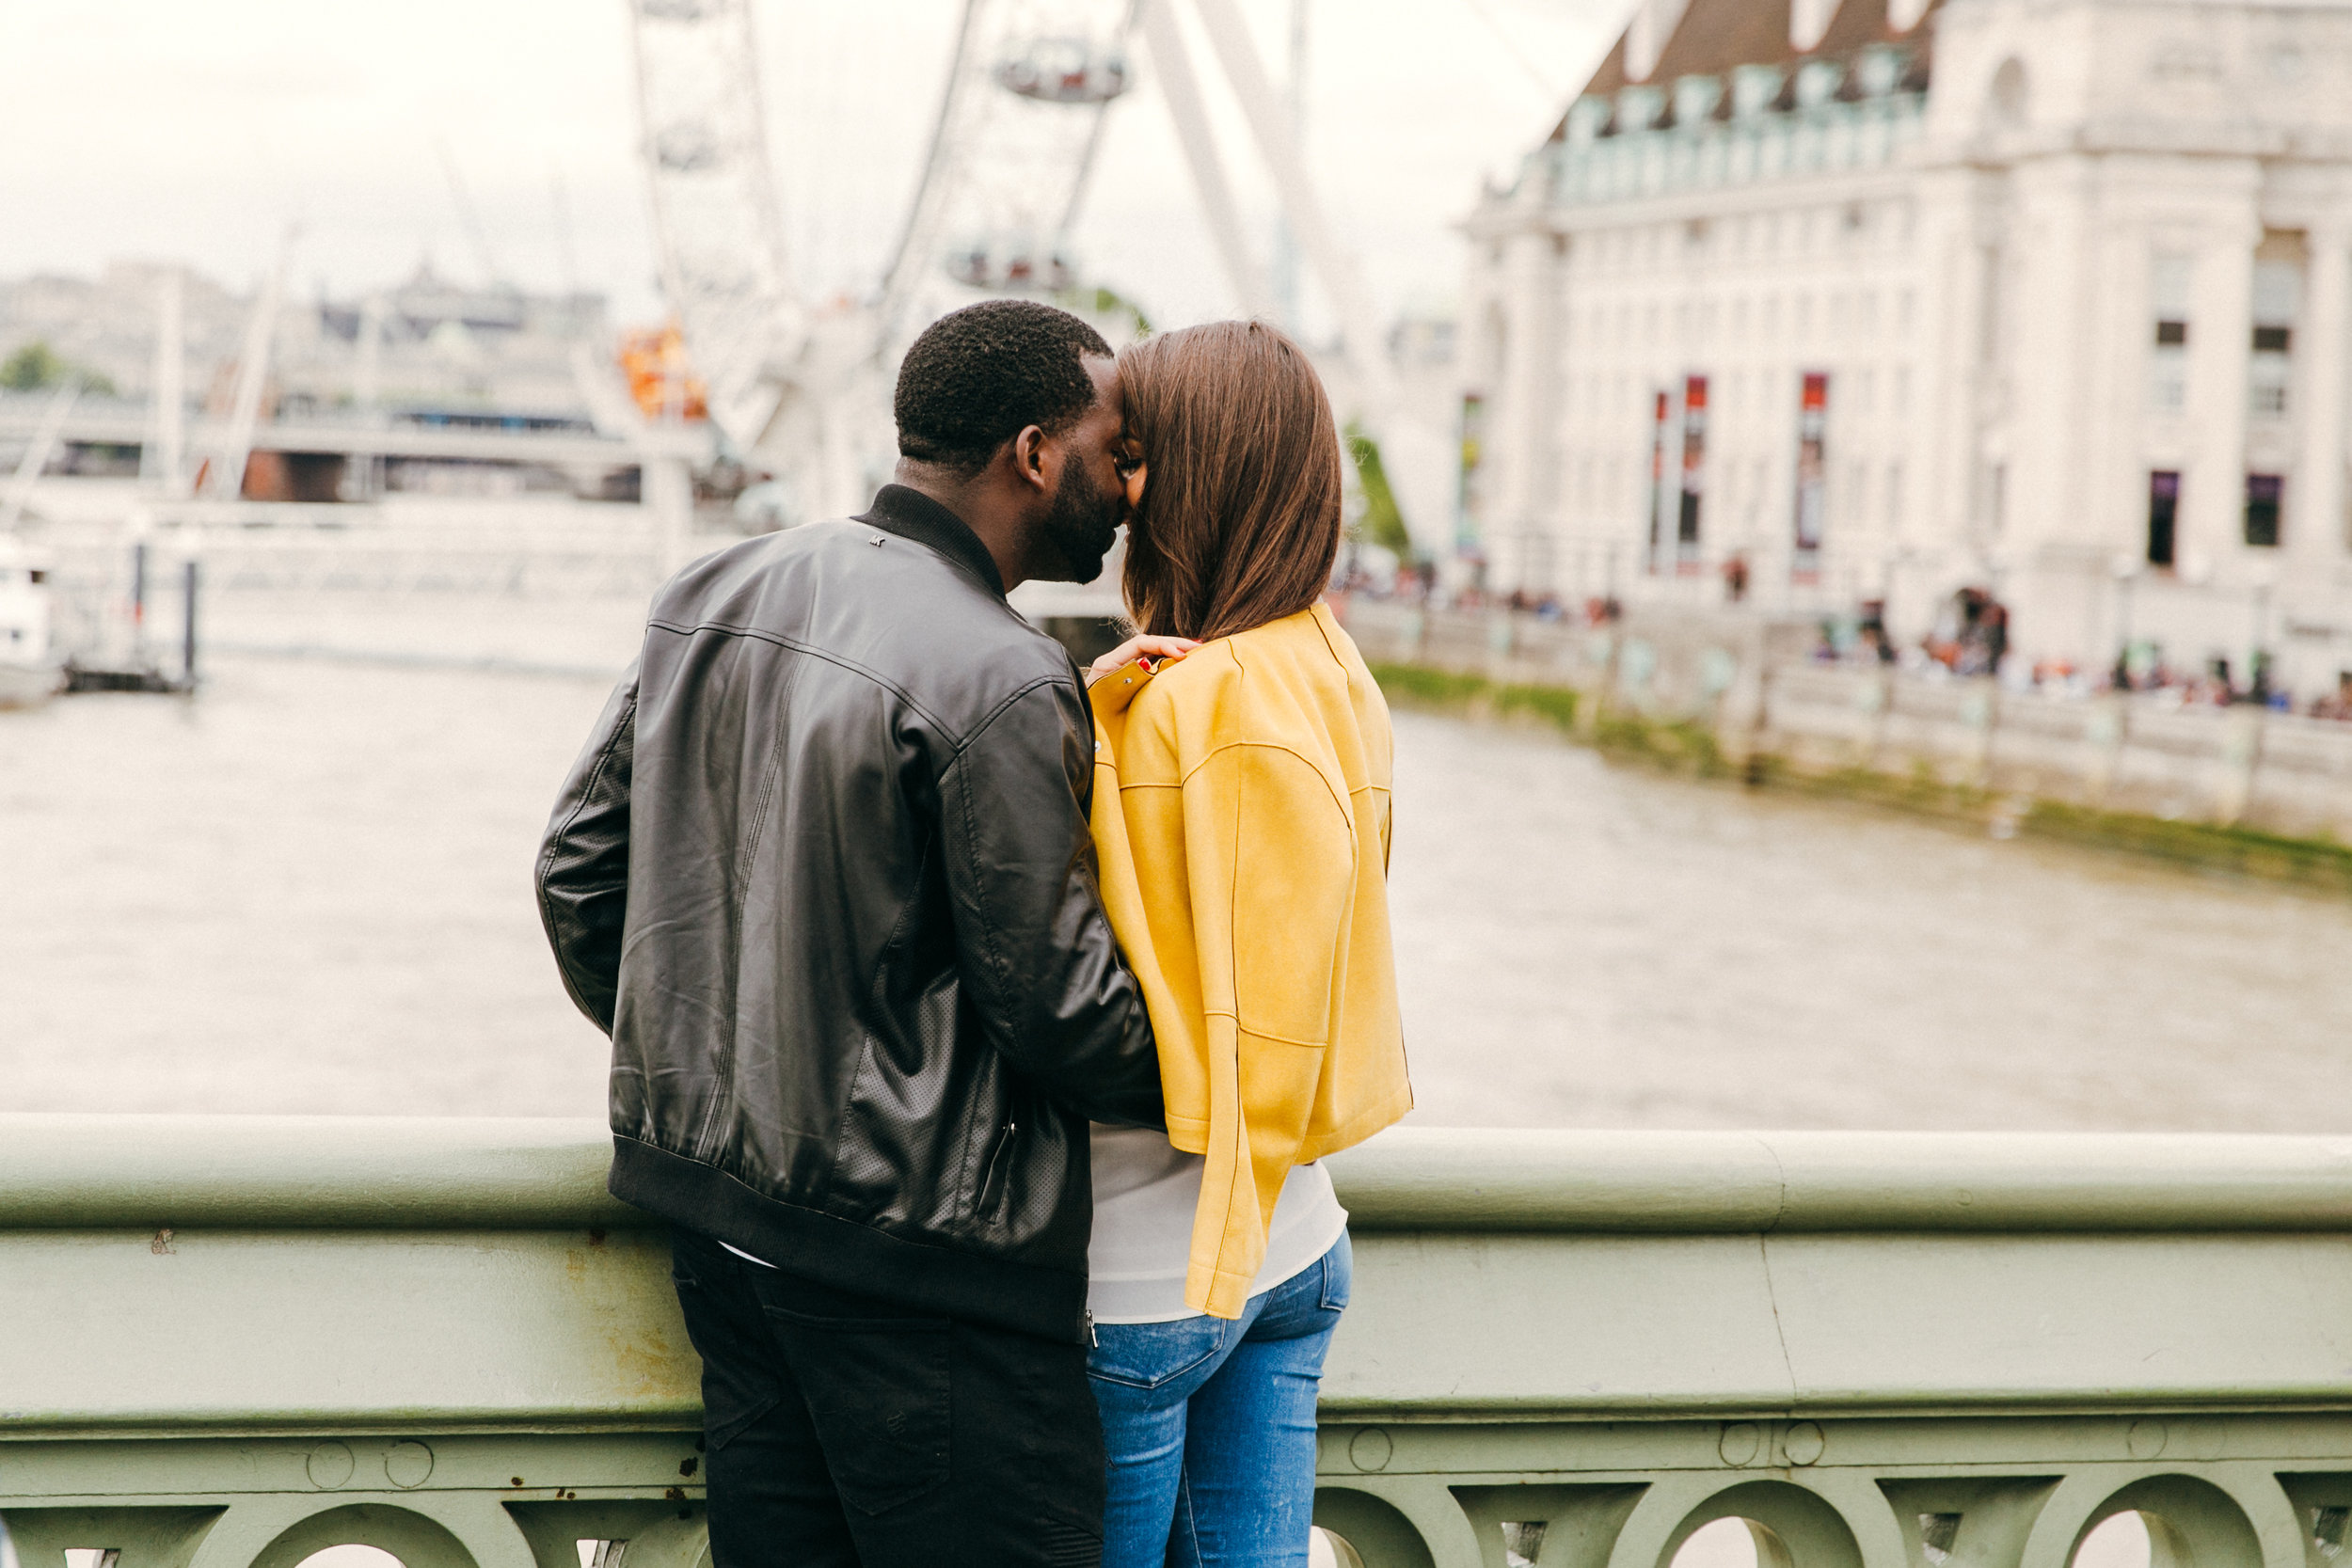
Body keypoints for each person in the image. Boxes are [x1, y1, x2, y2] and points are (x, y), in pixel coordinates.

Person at [535, 299, 1166, 1568]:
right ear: (1036, 455)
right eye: (1116, 448)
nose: (1130, 487)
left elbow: (578, 873)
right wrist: (1258, 1068)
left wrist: (727, 1061)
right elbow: (1062, 1012)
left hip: (717, 1223)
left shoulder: (712, 587)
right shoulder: (1001, 672)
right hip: (927, 1275)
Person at [1075, 320, 1414, 1568]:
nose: (1115, 494)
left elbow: (1126, 977)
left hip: (1157, 1266)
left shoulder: (1189, 706)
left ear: (1182, 475)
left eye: (1133, 457)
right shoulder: (1328, 665)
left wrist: (1089, 718)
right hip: (1298, 1242)